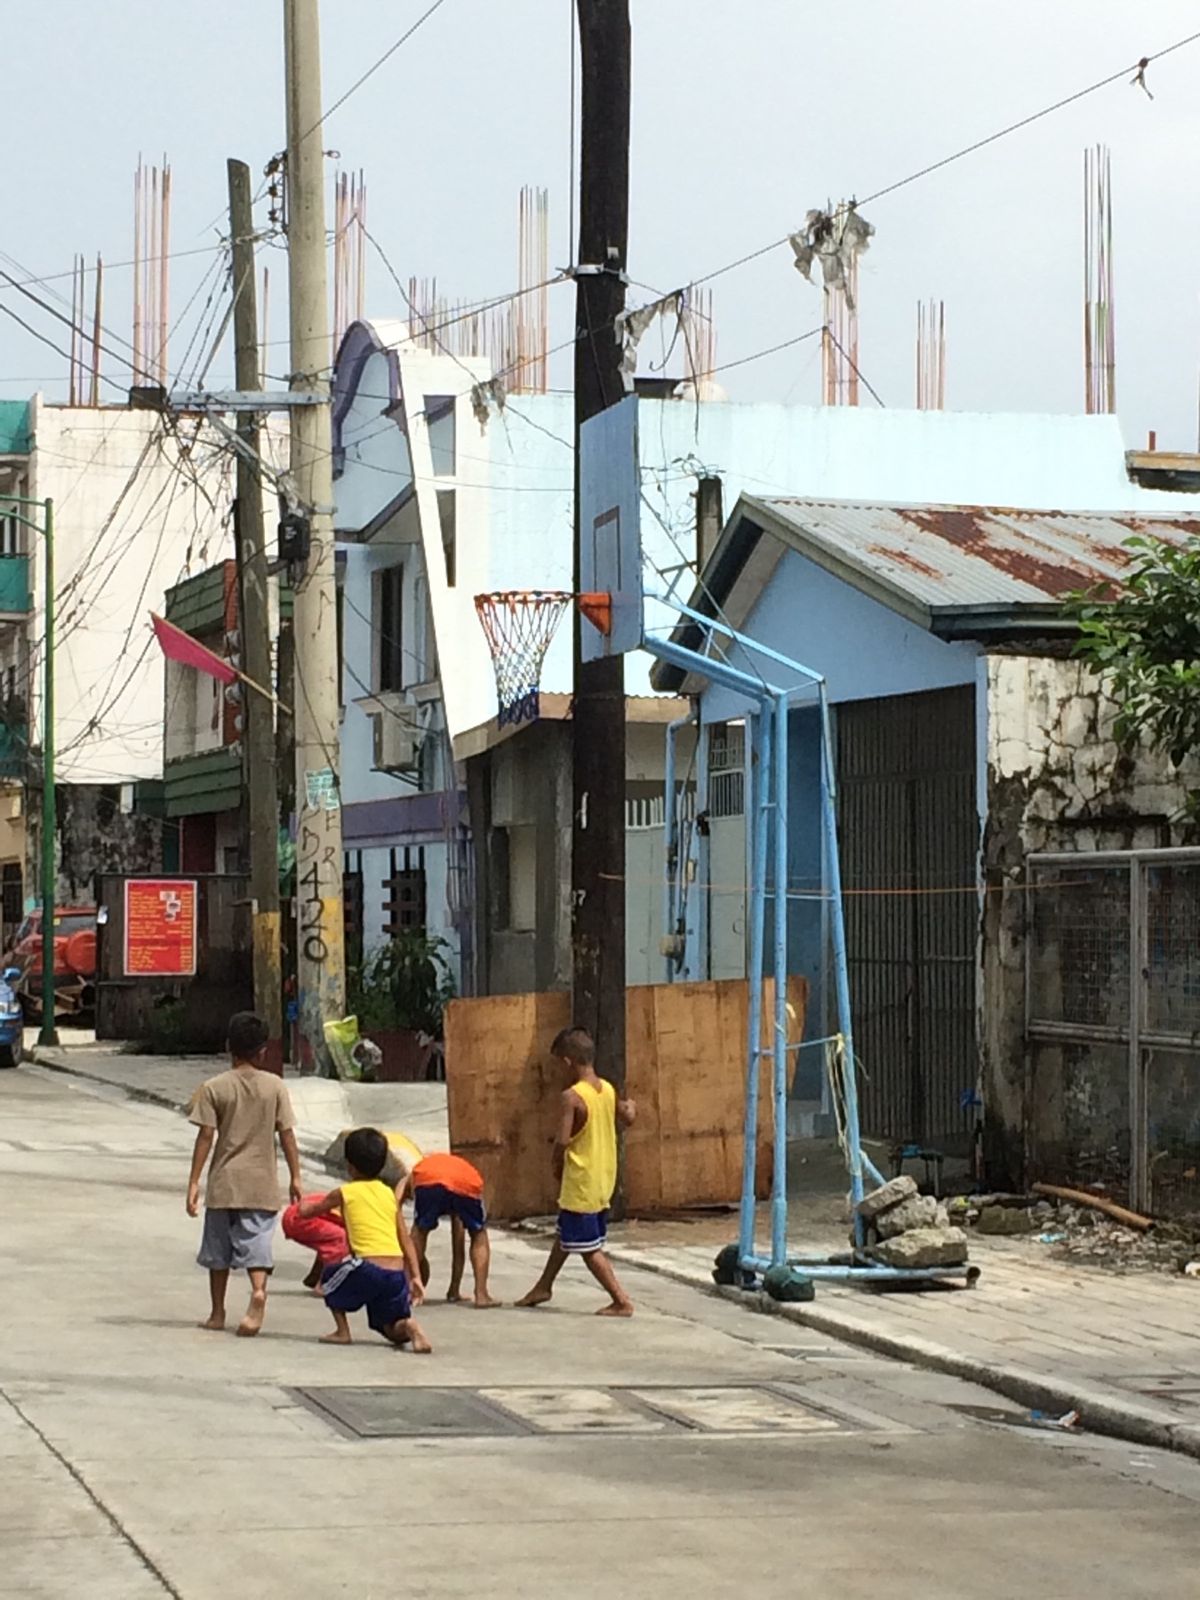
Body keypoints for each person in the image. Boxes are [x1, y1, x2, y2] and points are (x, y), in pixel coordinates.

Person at [186, 1011, 301, 1337]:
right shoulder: (275, 1087)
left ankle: (218, 1312)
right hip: (262, 1181)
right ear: (263, 1051)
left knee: (217, 1252)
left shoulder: (214, 1087)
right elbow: (287, 1134)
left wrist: (194, 1181)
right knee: (256, 1244)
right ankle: (258, 1290)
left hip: (225, 1182)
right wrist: (296, 1176)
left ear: (228, 1047)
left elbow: (206, 1136)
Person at [517, 1026, 636, 1317]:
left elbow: (562, 1140)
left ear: (568, 1062)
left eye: (559, 1063)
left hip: (581, 1181)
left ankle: (621, 1300)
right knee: (567, 1234)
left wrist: (556, 1167)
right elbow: (628, 1116)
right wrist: (632, 1106)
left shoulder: (571, 1097)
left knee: (587, 1247)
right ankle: (544, 1285)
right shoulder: (606, 1088)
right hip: (603, 1177)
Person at [297, 1126, 432, 1351]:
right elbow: (405, 1239)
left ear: (350, 1166)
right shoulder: (389, 1195)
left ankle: (342, 1331)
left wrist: (301, 1202)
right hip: (396, 1274)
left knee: (328, 1279)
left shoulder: (345, 1192)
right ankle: (410, 1326)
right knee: (389, 1328)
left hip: (367, 1267)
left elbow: (310, 1211)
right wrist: (415, 1276)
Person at [407, 1152, 499, 1308]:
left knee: (420, 1230)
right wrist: (453, 1290)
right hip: (464, 1182)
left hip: (428, 1180)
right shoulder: (452, 1167)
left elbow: (395, 1206)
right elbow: (458, 1241)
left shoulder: (415, 1174)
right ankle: (481, 1293)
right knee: (478, 1233)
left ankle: (408, 1291)